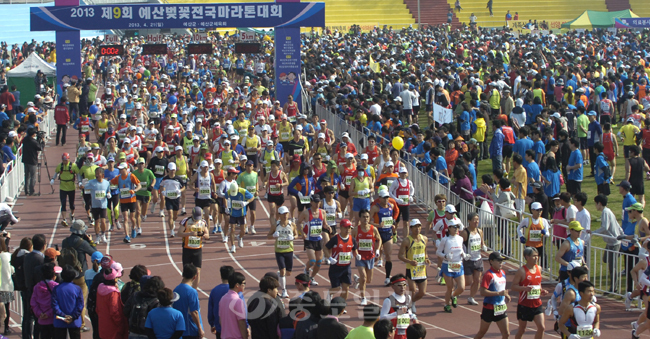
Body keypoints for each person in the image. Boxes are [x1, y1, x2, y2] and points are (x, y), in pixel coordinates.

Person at [511, 247, 549, 339]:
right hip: (524, 305)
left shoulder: (539, 268)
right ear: (527, 257)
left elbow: (538, 283)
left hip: (537, 304)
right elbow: (513, 286)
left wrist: (541, 290)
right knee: (522, 329)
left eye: (537, 256)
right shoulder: (522, 271)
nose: (536, 258)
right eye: (534, 256)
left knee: (542, 327)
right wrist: (524, 288)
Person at [591, 194, 623, 293]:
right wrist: (621, 233)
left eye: (596, 204)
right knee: (606, 259)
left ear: (599, 203)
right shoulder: (607, 211)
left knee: (612, 266)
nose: (595, 206)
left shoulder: (606, 212)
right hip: (610, 242)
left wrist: (593, 232)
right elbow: (616, 224)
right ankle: (614, 286)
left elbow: (605, 227)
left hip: (614, 243)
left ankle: (614, 288)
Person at [474, 252, 510, 339]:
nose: (501, 263)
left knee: (506, 333)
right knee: (482, 332)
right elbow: (482, 292)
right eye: (498, 261)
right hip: (489, 308)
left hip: (501, 307)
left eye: (502, 261)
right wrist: (498, 293)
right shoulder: (488, 275)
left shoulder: (503, 273)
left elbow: (502, 288)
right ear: (491, 261)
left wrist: (506, 295)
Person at [435, 218, 467, 313]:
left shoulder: (460, 238)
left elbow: (461, 250)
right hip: (447, 265)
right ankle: (446, 304)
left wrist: (464, 255)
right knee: (450, 286)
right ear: (449, 228)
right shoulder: (445, 240)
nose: (456, 229)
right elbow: (438, 252)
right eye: (454, 227)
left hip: (458, 265)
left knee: (461, 287)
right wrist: (445, 256)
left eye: (457, 227)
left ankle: (453, 296)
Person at [352, 209, 381, 305]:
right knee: (364, 277)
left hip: (370, 257)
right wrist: (354, 253)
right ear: (360, 218)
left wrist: (377, 249)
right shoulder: (356, 229)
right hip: (360, 257)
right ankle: (363, 297)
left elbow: (379, 239)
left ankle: (357, 280)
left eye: (367, 217)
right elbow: (351, 241)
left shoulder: (373, 229)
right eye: (364, 217)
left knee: (368, 280)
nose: (366, 219)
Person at [370, 187, 398, 285]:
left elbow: (392, 218)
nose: (386, 199)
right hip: (378, 233)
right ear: (380, 198)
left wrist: (393, 225)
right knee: (376, 256)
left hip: (388, 233)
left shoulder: (391, 206)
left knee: (388, 256)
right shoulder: (375, 208)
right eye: (384, 198)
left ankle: (387, 278)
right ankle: (366, 271)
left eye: (387, 197)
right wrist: (378, 225)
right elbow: (368, 221)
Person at [268, 206, 297, 298]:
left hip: (289, 250)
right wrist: (273, 235)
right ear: (279, 215)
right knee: (283, 271)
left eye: (286, 214)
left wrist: (293, 237)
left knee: (288, 273)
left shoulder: (292, 225)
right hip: (279, 250)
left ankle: (279, 274)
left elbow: (296, 235)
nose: (285, 216)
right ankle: (284, 290)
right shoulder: (275, 225)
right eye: (283, 214)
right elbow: (268, 236)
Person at [325, 218, 358, 302]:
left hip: (346, 267)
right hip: (335, 267)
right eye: (346, 228)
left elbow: (355, 250)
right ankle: (329, 294)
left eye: (349, 228)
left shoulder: (352, 239)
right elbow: (325, 248)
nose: (348, 230)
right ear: (341, 228)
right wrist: (329, 258)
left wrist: (357, 255)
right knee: (336, 288)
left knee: (346, 288)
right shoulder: (335, 239)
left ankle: (342, 305)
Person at [109, 162, 142, 243]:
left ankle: (134, 228)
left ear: (126, 169)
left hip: (131, 200)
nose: (120, 171)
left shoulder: (131, 176)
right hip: (123, 201)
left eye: (122, 169)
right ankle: (127, 235)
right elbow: (110, 182)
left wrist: (134, 190)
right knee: (125, 218)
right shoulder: (118, 177)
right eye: (119, 169)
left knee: (132, 218)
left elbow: (139, 185)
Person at [179, 207, 210, 288]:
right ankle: (185, 288)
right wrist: (190, 234)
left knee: (198, 271)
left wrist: (202, 234)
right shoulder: (185, 221)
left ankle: (194, 290)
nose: (197, 220)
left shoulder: (203, 222)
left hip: (197, 249)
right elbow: (179, 233)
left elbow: (207, 236)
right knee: (187, 272)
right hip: (187, 249)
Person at [96, 260, 128, 339]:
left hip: (102, 322)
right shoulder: (113, 293)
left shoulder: (100, 288)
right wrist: (120, 324)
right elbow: (114, 311)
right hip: (113, 327)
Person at [51, 265, 84, 339]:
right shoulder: (77, 289)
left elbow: (54, 305)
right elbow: (80, 305)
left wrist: (63, 315)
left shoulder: (56, 289)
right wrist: (73, 316)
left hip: (60, 321)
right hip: (74, 321)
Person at [23, 233, 46, 339]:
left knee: (28, 316)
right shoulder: (40, 260)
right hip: (38, 293)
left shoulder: (27, 256)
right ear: (44, 246)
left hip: (28, 289)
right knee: (39, 319)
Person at [379, 274, 416, 339]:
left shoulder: (408, 298)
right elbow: (382, 318)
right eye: (399, 285)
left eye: (404, 285)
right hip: (394, 334)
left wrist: (413, 317)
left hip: (406, 333)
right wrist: (397, 313)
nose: (402, 287)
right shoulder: (388, 300)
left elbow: (409, 311)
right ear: (392, 286)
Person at [173, 264, 205, 339]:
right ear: (195, 277)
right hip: (191, 330)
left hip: (179, 328)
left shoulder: (175, 290)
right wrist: (200, 329)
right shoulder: (192, 292)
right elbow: (194, 312)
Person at [516, 202, 551, 268]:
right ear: (532, 210)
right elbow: (518, 228)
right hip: (529, 245)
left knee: (542, 264)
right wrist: (521, 236)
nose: (539, 212)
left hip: (540, 245)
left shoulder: (544, 221)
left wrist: (545, 233)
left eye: (541, 210)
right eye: (537, 210)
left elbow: (548, 234)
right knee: (530, 262)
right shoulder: (526, 220)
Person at [462, 212, 486, 305]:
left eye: (477, 220)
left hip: (478, 259)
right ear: (469, 221)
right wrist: (464, 254)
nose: (476, 222)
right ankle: (457, 288)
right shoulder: (465, 232)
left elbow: (482, 243)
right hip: (468, 260)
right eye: (474, 220)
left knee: (477, 280)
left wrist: (483, 246)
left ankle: (471, 297)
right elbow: (459, 245)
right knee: (468, 281)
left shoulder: (480, 231)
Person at [207, 265, 237, 338]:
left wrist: (212, 324)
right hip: (234, 329)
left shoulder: (214, 291)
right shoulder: (236, 290)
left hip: (220, 328)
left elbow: (210, 309)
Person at [31, 262, 59, 339]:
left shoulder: (37, 287)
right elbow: (57, 303)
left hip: (42, 320)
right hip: (53, 319)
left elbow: (33, 303)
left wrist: (40, 313)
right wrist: (49, 313)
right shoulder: (56, 287)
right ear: (54, 275)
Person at [85, 167, 111, 243]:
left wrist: (109, 194)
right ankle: (97, 236)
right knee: (96, 222)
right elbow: (84, 187)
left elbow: (108, 191)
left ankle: (103, 234)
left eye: (98, 173)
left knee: (103, 221)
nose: (97, 175)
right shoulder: (91, 182)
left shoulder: (106, 183)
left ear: (102, 175)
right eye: (96, 173)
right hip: (94, 205)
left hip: (103, 205)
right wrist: (81, 184)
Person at [218, 272, 247, 339]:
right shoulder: (238, 301)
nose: (245, 285)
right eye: (243, 283)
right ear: (237, 285)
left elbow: (220, 320)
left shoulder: (223, 299)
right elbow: (241, 322)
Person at [160, 162, 186, 238]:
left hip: (176, 199)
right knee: (170, 215)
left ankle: (173, 221)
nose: (172, 171)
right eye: (171, 170)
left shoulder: (178, 179)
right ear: (168, 170)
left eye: (173, 170)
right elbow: (161, 185)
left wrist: (180, 191)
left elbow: (183, 187)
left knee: (175, 215)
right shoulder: (165, 179)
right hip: (168, 198)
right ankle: (172, 231)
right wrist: (162, 191)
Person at [53, 152, 79, 226]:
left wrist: (79, 181)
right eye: (63, 160)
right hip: (63, 188)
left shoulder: (73, 166)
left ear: (69, 159)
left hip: (71, 187)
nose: (65, 162)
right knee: (63, 203)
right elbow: (56, 173)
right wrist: (53, 179)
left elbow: (78, 174)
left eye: (66, 160)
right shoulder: (60, 166)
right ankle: (64, 219)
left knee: (72, 204)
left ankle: (72, 215)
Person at [389, 166, 414, 238]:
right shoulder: (396, 182)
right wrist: (396, 200)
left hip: (406, 205)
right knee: (396, 222)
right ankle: (394, 234)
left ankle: (406, 238)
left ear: (407, 174)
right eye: (402, 173)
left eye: (404, 173)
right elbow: (390, 192)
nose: (403, 175)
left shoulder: (409, 182)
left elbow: (412, 189)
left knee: (406, 223)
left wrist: (411, 196)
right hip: (397, 206)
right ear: (399, 174)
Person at [22, 127, 43, 196]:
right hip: (32, 160)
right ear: (33, 134)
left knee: (27, 176)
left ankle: (26, 190)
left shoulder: (25, 139)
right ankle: (32, 191)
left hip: (25, 160)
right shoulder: (33, 142)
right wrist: (42, 141)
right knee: (33, 176)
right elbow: (40, 148)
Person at [0, 237, 13, 335]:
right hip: (6, 286)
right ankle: (6, 327)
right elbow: (12, 270)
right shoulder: (8, 256)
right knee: (6, 308)